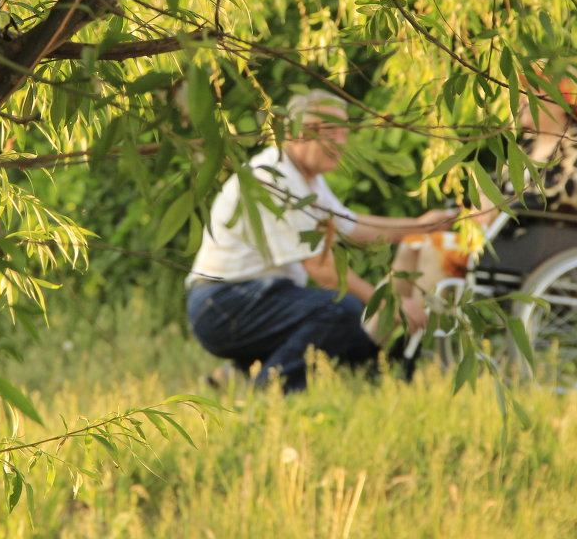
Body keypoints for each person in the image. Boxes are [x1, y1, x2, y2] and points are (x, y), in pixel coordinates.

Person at [185, 90, 454, 393]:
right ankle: (271, 394)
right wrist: (391, 304)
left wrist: (421, 227)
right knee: (340, 311)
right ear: (296, 131)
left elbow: (348, 225)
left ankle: (239, 373)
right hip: (224, 302)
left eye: (344, 134)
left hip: (254, 298)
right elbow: (320, 267)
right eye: (330, 133)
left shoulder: (305, 178)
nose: (340, 143)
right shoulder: (273, 179)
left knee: (346, 330)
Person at [390, 70, 577, 300]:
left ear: (561, 102)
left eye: (532, 92)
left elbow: (576, 194)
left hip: (541, 243)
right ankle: (381, 331)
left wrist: (502, 204)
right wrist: (478, 200)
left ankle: (422, 327)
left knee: (433, 249)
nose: (522, 98)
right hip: (506, 239)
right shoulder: (528, 144)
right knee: (410, 246)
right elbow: (494, 185)